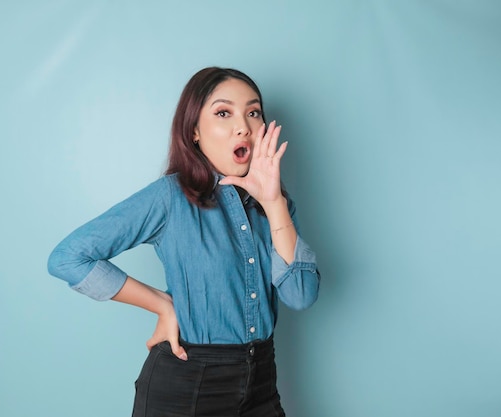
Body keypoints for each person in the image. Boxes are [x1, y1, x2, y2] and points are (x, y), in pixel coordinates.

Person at [47, 67, 320, 417]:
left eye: (253, 113)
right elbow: (68, 257)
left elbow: (300, 295)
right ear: (194, 132)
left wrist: (274, 202)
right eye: (224, 113)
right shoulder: (169, 198)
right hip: (187, 387)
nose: (244, 127)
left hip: (261, 384)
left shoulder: (277, 206)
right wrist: (163, 305)